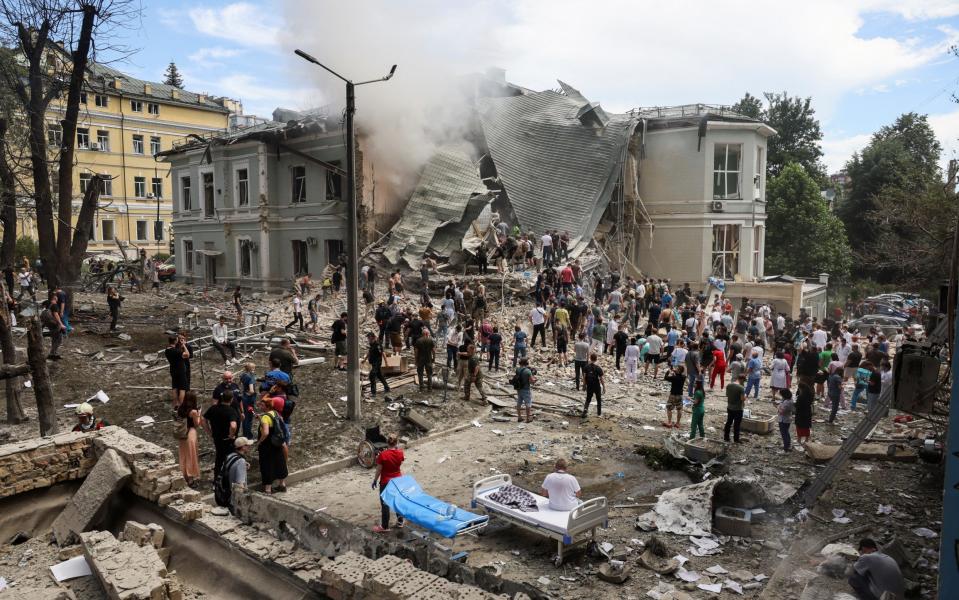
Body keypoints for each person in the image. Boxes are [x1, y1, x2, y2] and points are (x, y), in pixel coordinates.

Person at [203, 381, 240, 480]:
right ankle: (229, 478)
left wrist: (209, 432)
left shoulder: (213, 408)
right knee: (230, 457)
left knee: (219, 457)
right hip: (227, 439)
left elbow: (203, 420)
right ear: (231, 399)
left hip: (216, 437)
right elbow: (233, 426)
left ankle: (217, 478)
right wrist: (231, 435)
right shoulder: (231, 411)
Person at [372, 434, 405, 533]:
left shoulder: (383, 455)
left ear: (387, 442)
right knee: (397, 501)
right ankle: (400, 521)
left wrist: (374, 480)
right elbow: (399, 463)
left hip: (386, 481)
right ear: (396, 443)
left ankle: (385, 526)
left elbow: (378, 470)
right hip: (398, 480)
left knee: (385, 504)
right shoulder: (400, 453)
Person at [257, 394, 288, 494]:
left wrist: (260, 441)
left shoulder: (265, 417)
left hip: (267, 445)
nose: (260, 407)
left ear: (266, 406)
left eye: (261, 405)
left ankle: (267, 489)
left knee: (267, 465)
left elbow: (265, 432)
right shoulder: (275, 413)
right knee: (279, 462)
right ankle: (282, 485)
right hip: (277, 443)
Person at [217, 436, 252, 515]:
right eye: (248, 445)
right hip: (234, 501)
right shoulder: (241, 461)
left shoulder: (230, 456)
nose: (250, 447)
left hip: (227, 493)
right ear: (243, 447)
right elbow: (240, 485)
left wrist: (244, 465)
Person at [176, 391, 202, 488]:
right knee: (191, 455)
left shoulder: (180, 408)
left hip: (182, 434)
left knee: (183, 455)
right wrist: (199, 415)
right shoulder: (193, 412)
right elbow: (196, 424)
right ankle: (191, 477)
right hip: (190, 433)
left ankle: (183, 475)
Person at [165, 335, 192, 409]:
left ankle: (175, 405)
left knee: (175, 387)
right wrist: (183, 345)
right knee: (182, 388)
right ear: (175, 341)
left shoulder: (167, 350)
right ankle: (181, 406)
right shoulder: (176, 351)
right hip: (180, 371)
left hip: (173, 370)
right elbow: (187, 354)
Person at [365, 332, 390, 396]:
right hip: (373, 362)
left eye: (369, 337)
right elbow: (370, 352)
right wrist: (365, 359)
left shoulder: (377, 344)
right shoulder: (371, 344)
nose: (368, 339)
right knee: (380, 376)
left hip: (377, 362)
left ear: (372, 337)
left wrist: (386, 362)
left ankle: (373, 392)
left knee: (372, 376)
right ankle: (387, 388)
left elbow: (383, 353)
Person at [581, 353, 605, 419]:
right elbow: (601, 379)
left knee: (588, 398)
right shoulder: (598, 368)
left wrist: (584, 385)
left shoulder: (586, 367)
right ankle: (599, 414)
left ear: (590, 358)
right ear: (596, 359)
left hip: (589, 385)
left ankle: (585, 410)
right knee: (598, 399)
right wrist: (604, 387)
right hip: (596, 386)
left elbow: (584, 377)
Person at [723, 373, 746, 442]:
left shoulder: (729, 385)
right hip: (738, 408)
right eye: (744, 381)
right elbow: (742, 399)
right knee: (737, 425)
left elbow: (727, 395)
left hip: (729, 407)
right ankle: (736, 439)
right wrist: (745, 396)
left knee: (728, 423)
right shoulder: (741, 388)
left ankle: (726, 437)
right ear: (742, 380)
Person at [514, 357, 536, 423]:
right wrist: (535, 380)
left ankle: (519, 417)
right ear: (526, 363)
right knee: (528, 403)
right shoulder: (528, 371)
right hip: (526, 389)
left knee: (519, 402)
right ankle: (528, 418)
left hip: (519, 388)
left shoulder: (517, 369)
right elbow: (532, 381)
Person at [239, 362, 257, 438]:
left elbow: (239, 384)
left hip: (243, 397)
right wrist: (248, 395)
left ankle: (245, 433)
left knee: (244, 416)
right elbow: (252, 390)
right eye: (254, 369)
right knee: (249, 417)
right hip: (249, 399)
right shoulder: (251, 377)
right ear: (251, 369)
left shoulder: (243, 375)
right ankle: (248, 435)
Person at [795, 381, 813, 446]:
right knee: (806, 426)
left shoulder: (801, 397)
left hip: (800, 414)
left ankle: (799, 440)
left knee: (799, 427)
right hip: (807, 412)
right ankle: (806, 440)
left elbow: (797, 405)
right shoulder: (810, 394)